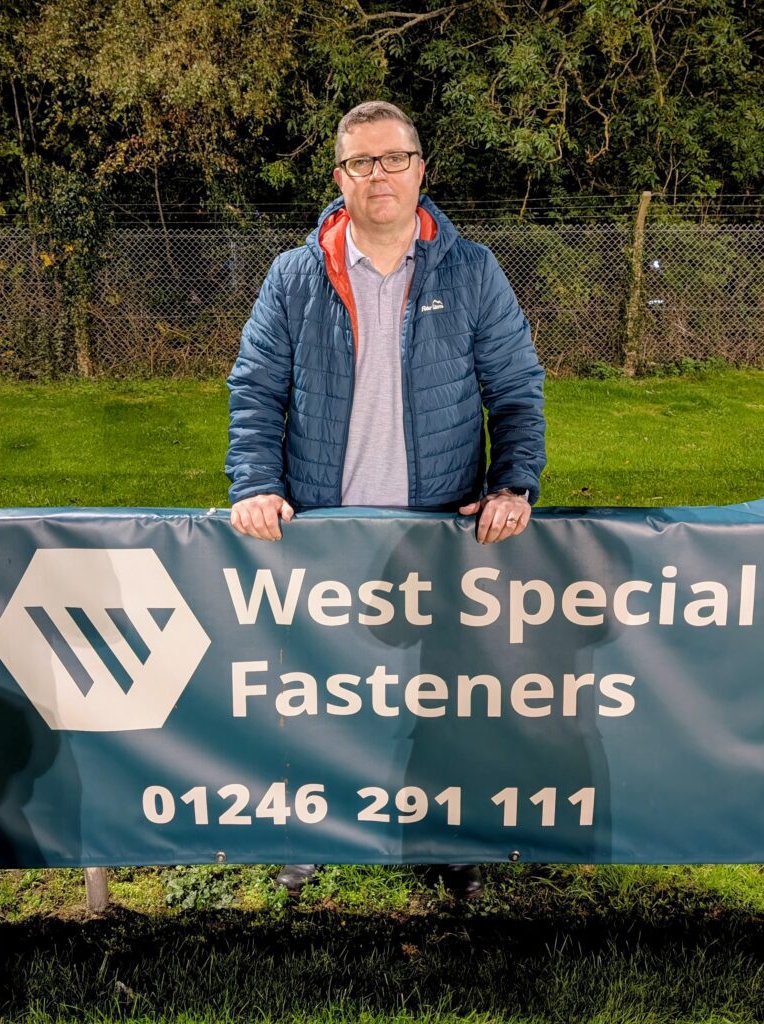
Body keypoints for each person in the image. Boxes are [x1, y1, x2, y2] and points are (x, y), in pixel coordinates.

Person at [226, 101, 546, 897]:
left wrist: (512, 483)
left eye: (394, 158)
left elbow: (514, 390)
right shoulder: (292, 276)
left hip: (435, 528)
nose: (380, 175)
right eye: (362, 162)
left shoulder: (471, 271)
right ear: (339, 178)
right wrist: (257, 485)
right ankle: (306, 833)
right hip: (321, 528)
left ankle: (450, 844)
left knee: (443, 702)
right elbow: (256, 391)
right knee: (314, 693)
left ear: (419, 169)